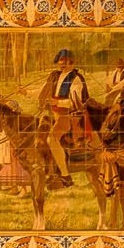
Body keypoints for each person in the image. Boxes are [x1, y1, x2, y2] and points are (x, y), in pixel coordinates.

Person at [43, 48, 90, 179]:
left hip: (69, 115)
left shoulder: (76, 79)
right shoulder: (55, 76)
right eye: (61, 61)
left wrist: (57, 103)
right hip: (53, 113)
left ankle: (65, 174)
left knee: (51, 139)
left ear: (72, 63)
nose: (63, 64)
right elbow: (43, 91)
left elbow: (75, 102)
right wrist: (26, 92)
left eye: (67, 61)